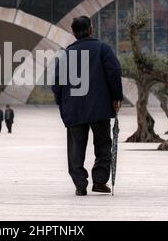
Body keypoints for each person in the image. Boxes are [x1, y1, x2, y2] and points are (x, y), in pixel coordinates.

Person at [52, 16, 123, 197]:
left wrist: (62, 104)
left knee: (76, 147)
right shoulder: (102, 49)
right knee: (103, 144)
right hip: (99, 107)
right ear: (91, 29)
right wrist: (116, 96)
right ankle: (99, 181)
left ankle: (80, 184)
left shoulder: (66, 54)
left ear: (74, 32)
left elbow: (57, 84)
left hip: (74, 109)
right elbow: (114, 72)